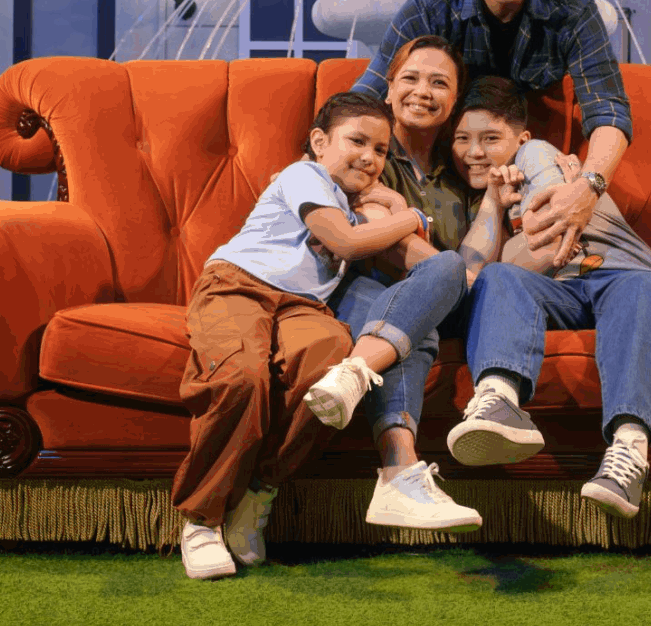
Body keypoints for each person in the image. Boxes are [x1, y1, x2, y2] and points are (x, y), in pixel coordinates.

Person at [172, 90, 469, 580]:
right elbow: (346, 242)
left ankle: (257, 493)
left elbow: (427, 264)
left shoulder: (357, 207)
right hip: (238, 284)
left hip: (305, 307)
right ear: (319, 141)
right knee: (242, 376)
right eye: (357, 141)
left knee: (328, 372)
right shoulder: (303, 175)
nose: (370, 158)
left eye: (381, 150)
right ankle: (202, 519)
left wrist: (395, 209)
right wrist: (414, 215)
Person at [305, 35, 563, 533]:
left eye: (439, 83)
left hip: (445, 304)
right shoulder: (371, 151)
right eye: (410, 78)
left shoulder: (460, 167)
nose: (423, 91)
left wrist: (491, 203)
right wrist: (452, 274)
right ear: (388, 88)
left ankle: (358, 374)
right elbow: (380, 239)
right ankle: (400, 473)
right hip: (369, 290)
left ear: (454, 99)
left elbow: (475, 258)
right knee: (413, 318)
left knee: (439, 285)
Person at [351, 0, 633, 273]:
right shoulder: (433, 2)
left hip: (524, 156)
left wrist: (589, 186)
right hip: (452, 159)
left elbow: (608, 112)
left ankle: (588, 275)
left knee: (542, 172)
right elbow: (369, 94)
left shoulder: (571, 8)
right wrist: (315, 168)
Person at [442, 76, 651, 520]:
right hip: (561, 294)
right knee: (499, 277)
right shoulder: (478, 194)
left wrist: (513, 247)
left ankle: (628, 455)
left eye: (490, 138)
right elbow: (474, 275)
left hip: (623, 278)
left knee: (640, 287)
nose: (474, 152)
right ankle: (498, 401)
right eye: (462, 139)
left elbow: (551, 245)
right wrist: (494, 205)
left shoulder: (536, 156)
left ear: (521, 139)